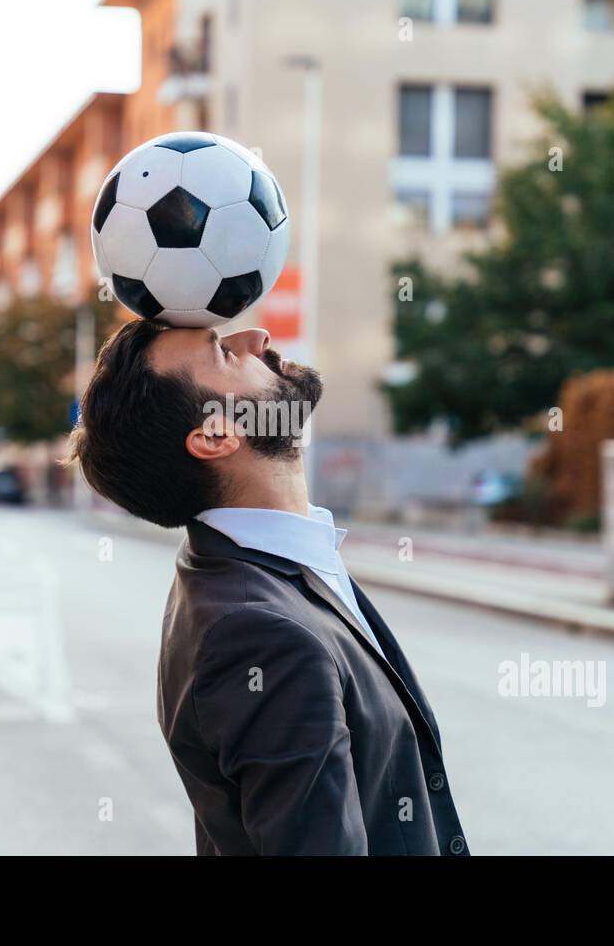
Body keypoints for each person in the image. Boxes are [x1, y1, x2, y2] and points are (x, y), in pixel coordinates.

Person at [66, 320, 468, 856]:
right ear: (214, 436)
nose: (256, 338)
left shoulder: (243, 572)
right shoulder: (258, 632)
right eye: (225, 354)